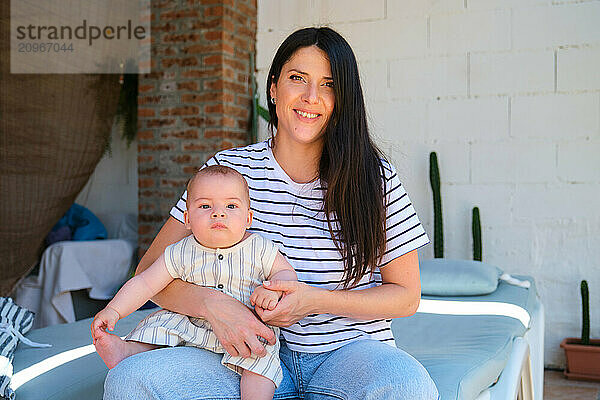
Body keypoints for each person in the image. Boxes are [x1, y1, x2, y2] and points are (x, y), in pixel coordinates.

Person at [104, 26, 439, 400]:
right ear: (274, 87)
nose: (311, 97)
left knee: (410, 387)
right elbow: (148, 270)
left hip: (347, 355)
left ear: (342, 99)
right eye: (298, 78)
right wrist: (214, 306)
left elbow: (406, 296)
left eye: (328, 84)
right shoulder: (227, 170)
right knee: (131, 381)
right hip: (234, 355)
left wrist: (313, 300)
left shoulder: (375, 177)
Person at [93, 166, 297, 399]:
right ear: (188, 219)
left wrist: (272, 290)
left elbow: (286, 274)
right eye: (205, 206)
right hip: (190, 327)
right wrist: (114, 310)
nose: (218, 213)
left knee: (260, 367)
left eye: (231, 206)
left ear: (248, 218)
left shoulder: (259, 248)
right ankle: (127, 350)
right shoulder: (180, 251)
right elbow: (145, 284)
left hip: (246, 332)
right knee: (158, 328)